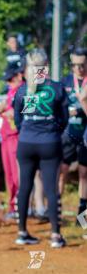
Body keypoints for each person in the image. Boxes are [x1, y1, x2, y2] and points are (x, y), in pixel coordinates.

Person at [13, 48, 68, 248]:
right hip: (50, 143)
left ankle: (21, 232)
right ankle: (55, 235)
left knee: (24, 188)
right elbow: (64, 119)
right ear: (46, 66)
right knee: (51, 190)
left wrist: (29, 130)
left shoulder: (22, 90)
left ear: (29, 67)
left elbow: (18, 121)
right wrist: (51, 131)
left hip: (26, 143)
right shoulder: (57, 88)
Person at [0, 64, 24, 221]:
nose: (8, 83)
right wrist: (1, 109)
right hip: (6, 137)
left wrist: (5, 112)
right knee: (10, 175)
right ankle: (13, 206)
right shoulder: (11, 91)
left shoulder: (23, 91)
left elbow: (14, 113)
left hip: (15, 137)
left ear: (19, 76)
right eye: (7, 80)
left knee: (17, 175)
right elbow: (7, 108)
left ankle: (20, 207)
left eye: (11, 79)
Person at [60, 46, 87, 219]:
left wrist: (82, 105)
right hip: (67, 134)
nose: (79, 68)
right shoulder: (65, 82)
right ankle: (55, 214)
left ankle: (83, 218)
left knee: (84, 174)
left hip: (85, 134)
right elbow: (58, 107)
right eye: (75, 65)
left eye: (83, 65)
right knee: (61, 171)